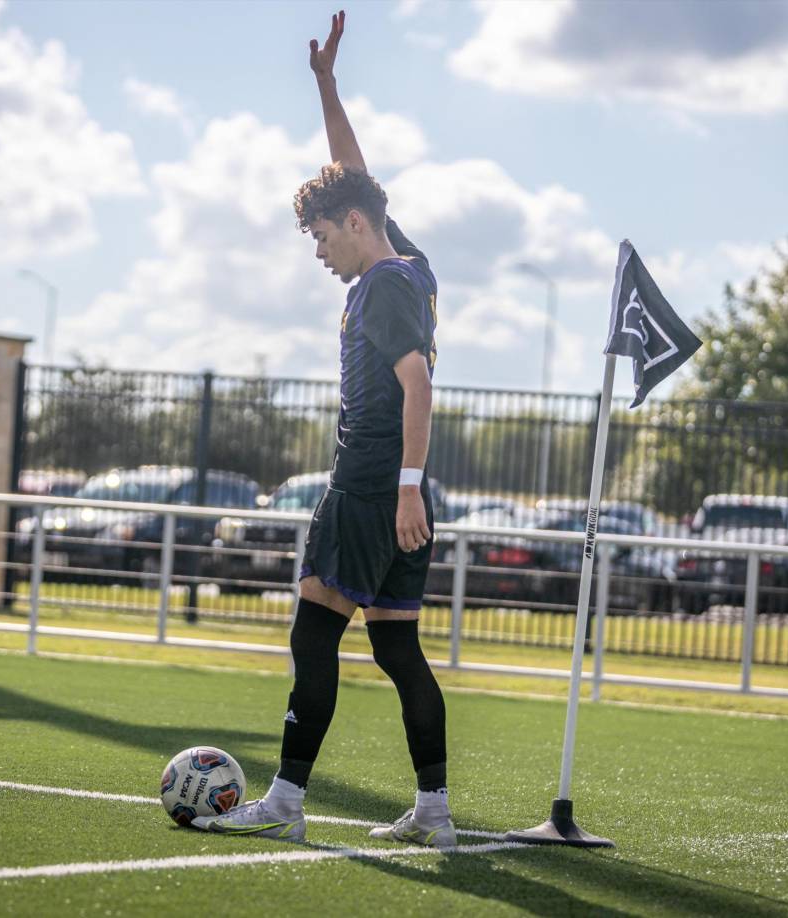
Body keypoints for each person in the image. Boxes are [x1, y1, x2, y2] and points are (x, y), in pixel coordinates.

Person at [192, 10, 454, 848]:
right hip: (400, 490)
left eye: (319, 235)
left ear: (351, 227)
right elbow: (356, 179)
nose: (317, 251)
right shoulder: (412, 268)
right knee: (398, 651)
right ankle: (435, 811)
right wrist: (327, 86)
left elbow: (417, 386)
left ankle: (286, 802)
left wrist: (403, 489)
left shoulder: (380, 286)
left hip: (372, 485)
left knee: (313, 636)